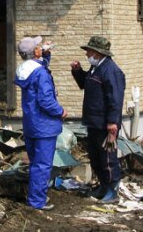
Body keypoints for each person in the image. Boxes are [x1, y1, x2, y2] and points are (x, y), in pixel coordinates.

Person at [70, 35, 126, 204]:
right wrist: (78, 72)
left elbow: (115, 99)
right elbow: (85, 84)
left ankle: (112, 190)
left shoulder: (111, 71)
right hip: (93, 122)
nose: (87, 55)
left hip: (105, 124)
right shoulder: (96, 69)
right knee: (95, 157)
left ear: (97, 53)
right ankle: (102, 186)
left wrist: (112, 122)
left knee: (108, 158)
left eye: (89, 51)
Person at [14, 36, 67, 211]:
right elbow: (46, 101)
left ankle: (36, 196)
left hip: (31, 124)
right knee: (42, 165)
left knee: (35, 163)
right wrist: (61, 111)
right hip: (44, 125)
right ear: (35, 52)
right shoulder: (41, 73)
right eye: (38, 46)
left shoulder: (23, 70)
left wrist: (46, 57)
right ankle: (37, 201)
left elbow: (37, 71)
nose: (40, 47)